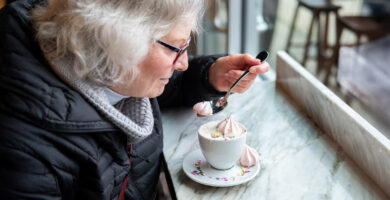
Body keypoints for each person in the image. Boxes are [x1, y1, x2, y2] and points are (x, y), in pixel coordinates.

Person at [0, 0, 270, 199]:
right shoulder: (22, 153)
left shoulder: (113, 71)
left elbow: (167, 86)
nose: (184, 64)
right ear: (118, 40)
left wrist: (211, 75)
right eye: (177, 48)